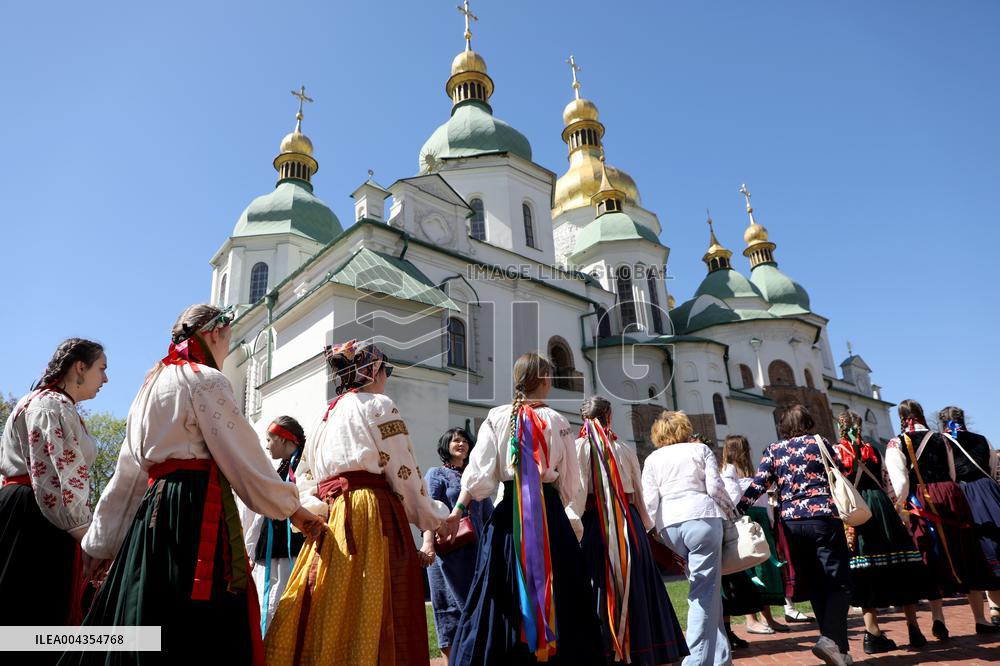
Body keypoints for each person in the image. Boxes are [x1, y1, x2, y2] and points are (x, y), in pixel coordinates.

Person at [61, 305, 324, 666]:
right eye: (227, 341)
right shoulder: (207, 379)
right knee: (195, 623)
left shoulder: (150, 385)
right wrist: (294, 510)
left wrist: (102, 543)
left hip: (151, 513)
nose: (226, 351)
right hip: (195, 510)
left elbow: (129, 472)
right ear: (214, 333)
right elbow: (245, 459)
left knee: (150, 612)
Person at [264, 339, 455, 666]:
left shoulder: (325, 416)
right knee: (377, 603)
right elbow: (403, 468)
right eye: (387, 370)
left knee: (331, 602)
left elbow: (307, 478)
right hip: (370, 513)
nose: (387, 378)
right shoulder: (379, 405)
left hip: (332, 518)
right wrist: (433, 517)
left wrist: (315, 515)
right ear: (373, 370)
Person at [448, 352, 604, 665]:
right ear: (545, 380)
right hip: (549, 518)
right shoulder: (558, 420)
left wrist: (458, 509)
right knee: (562, 590)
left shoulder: (496, 416)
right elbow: (573, 482)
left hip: (508, 518)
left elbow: (479, 473)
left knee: (499, 590)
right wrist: (555, 489)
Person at [569, 396, 688, 665]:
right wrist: (647, 527)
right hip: (628, 523)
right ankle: (648, 647)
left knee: (599, 581)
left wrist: (573, 528)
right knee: (637, 581)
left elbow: (575, 494)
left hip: (593, 523)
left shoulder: (578, 448)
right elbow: (637, 492)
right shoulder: (623, 447)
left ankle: (607, 647)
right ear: (609, 417)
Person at [0, 339, 107, 632]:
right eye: (102, 369)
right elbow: (55, 479)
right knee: (30, 616)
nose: (106, 379)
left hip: (35, 510)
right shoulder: (48, 405)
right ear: (80, 367)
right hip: (36, 517)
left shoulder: (53, 404)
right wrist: (87, 536)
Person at [737, 404, 853, 666]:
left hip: (791, 522)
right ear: (808, 421)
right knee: (839, 582)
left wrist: (738, 509)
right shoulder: (819, 443)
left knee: (815, 584)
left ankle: (838, 650)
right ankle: (830, 640)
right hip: (823, 516)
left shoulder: (774, 449)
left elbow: (759, 483)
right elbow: (842, 472)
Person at [884, 399, 997, 637]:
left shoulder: (896, 443)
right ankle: (980, 618)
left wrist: (900, 505)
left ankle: (938, 618)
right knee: (964, 553)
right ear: (922, 415)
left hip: (922, 500)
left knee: (931, 557)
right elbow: (953, 473)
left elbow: (901, 482)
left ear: (902, 418)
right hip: (950, 495)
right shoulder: (942, 438)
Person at [642, 411, 735, 666]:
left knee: (707, 591)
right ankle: (695, 662)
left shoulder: (652, 459)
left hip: (669, 525)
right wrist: (731, 511)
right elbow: (715, 488)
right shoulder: (699, 450)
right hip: (702, 518)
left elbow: (649, 500)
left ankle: (721, 659)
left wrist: (649, 531)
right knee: (704, 594)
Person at [835, 410, 932, 653]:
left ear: (840, 427)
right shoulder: (874, 451)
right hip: (882, 509)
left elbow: (836, 487)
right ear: (860, 427)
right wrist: (896, 510)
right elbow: (888, 483)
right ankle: (914, 629)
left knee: (865, 571)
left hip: (859, 512)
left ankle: (872, 633)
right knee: (900, 567)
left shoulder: (837, 453)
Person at [422, 427, 494, 658]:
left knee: (478, 609)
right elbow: (429, 510)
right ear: (445, 445)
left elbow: (489, 515)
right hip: (448, 553)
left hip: (478, 553)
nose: (461, 443)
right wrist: (428, 544)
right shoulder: (436, 474)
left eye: (464, 440)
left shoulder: (476, 478)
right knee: (448, 612)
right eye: (455, 440)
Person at [719, 435, 788, 638]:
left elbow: (764, 498)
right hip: (745, 521)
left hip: (760, 521)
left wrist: (770, 521)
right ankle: (751, 619)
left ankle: (768, 617)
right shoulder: (729, 471)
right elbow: (732, 497)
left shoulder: (751, 471)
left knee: (764, 568)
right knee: (750, 568)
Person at [244, 415, 308, 635]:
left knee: (282, 605)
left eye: (270, 439)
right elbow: (261, 516)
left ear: (283, 439)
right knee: (264, 606)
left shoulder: (303, 468)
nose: (267, 445)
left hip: (291, 552)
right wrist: (251, 548)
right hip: (268, 553)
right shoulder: (279, 471)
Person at [938, 406, 1000, 627]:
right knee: (993, 547)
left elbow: (945, 472)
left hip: (960, 496)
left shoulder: (940, 442)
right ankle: (995, 607)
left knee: (970, 553)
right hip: (988, 493)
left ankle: (981, 618)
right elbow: (993, 466)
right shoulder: (981, 439)